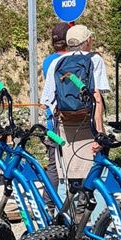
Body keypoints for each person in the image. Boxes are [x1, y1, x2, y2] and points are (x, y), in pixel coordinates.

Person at [41, 23, 110, 186]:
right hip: (89, 123)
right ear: (87, 41)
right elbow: (97, 97)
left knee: (70, 172)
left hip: (65, 124)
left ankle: (70, 208)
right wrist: (99, 135)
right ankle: (87, 208)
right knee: (95, 169)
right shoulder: (94, 59)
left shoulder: (56, 63)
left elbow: (47, 102)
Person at [40, 21, 71, 189]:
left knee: (53, 165)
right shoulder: (74, 59)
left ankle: (48, 204)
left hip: (53, 120)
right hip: (74, 119)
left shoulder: (48, 62)